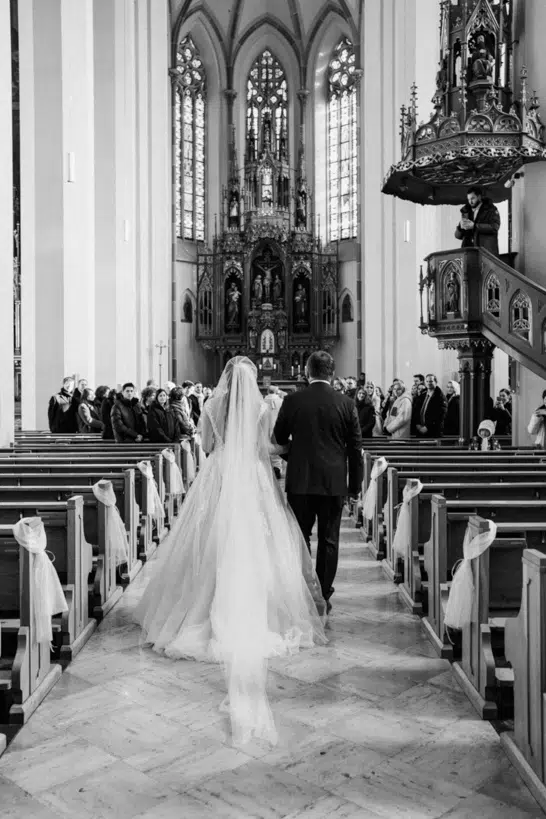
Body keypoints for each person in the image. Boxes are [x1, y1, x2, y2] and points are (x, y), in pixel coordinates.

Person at [135, 357, 326, 747]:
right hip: (253, 476)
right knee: (260, 542)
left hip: (220, 474)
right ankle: (254, 606)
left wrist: (225, 446)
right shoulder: (260, 407)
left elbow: (206, 445)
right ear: (251, 381)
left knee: (211, 539)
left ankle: (201, 606)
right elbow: (266, 447)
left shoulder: (209, 406)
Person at [274, 351, 363, 614]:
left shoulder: (292, 400)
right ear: (332, 374)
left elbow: (279, 438)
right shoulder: (346, 403)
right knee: (329, 539)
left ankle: (303, 592)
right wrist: (355, 488)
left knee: (300, 537)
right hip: (333, 482)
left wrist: (297, 455)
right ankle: (323, 594)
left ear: (306, 372)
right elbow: (355, 449)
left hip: (300, 481)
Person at [455, 185, 500, 256]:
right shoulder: (466, 211)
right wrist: (460, 227)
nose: (470, 202)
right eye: (469, 199)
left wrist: (474, 226)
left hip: (486, 253)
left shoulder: (491, 209)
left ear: (479, 197)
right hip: (469, 254)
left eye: (473, 198)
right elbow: (458, 236)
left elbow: (495, 227)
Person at [263, 386, 284, 479]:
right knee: (277, 447)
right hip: (277, 428)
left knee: (266, 447)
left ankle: (268, 469)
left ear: (267, 392)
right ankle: (277, 468)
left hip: (265, 428)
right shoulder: (281, 401)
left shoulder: (262, 402)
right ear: (276, 392)